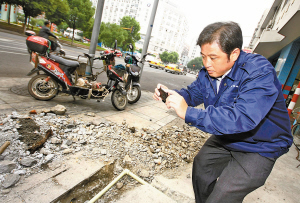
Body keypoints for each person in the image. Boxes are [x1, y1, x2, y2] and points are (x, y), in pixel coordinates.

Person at [153, 21, 293, 203]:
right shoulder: (208, 74)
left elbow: (242, 118)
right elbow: (193, 93)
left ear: (234, 54)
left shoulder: (258, 70)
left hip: (261, 145)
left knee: (224, 192)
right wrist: (174, 96)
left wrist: (188, 113)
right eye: (203, 56)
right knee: (202, 167)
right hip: (230, 137)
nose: (207, 63)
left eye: (213, 57)